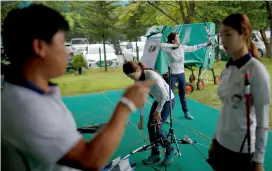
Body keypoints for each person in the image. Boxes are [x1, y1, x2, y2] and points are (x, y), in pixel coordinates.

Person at [1, 4, 155, 171]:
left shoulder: (29, 90)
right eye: (62, 42)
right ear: (39, 47)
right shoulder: (26, 107)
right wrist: (127, 104)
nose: (67, 52)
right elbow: (90, 160)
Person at [207, 13, 270, 171]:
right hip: (221, 146)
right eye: (221, 35)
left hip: (242, 152)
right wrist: (215, 139)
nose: (223, 40)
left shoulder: (257, 71)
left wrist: (258, 162)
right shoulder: (227, 69)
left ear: (245, 34)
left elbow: (263, 121)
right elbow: (225, 109)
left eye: (228, 34)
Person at [122, 61, 177, 165]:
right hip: (158, 100)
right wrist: (141, 117)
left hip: (168, 101)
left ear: (138, 70)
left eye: (132, 76)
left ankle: (170, 150)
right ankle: (155, 154)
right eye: (130, 77)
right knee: (150, 127)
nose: (132, 79)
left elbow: (165, 96)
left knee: (157, 128)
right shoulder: (137, 80)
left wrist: (158, 111)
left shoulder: (152, 75)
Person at [160, 32, 212, 120]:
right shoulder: (168, 49)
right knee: (169, 96)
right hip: (172, 75)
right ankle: (166, 114)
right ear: (173, 40)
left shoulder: (182, 47)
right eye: (177, 37)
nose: (179, 39)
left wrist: (206, 44)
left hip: (181, 74)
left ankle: (186, 112)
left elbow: (193, 47)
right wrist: (172, 45)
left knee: (182, 95)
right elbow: (160, 45)